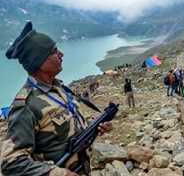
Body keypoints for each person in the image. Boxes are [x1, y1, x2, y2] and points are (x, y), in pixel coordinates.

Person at [1, 22, 112, 176]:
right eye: (54, 51)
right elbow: (11, 163)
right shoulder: (26, 106)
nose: (61, 54)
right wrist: (58, 173)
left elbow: (68, 128)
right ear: (39, 61)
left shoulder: (60, 89)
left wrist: (94, 127)